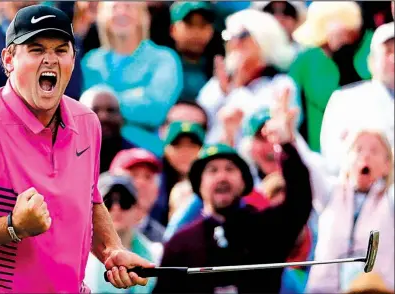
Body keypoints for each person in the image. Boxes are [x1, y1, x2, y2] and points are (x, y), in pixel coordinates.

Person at [0, 5, 153, 293]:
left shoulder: (87, 123)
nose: (50, 60)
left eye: (61, 50)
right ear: (9, 59)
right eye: (35, 50)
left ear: (74, 58)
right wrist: (12, 226)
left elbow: (91, 201)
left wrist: (111, 251)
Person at [153, 92, 313, 292]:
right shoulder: (180, 244)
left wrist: (286, 144)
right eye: (212, 170)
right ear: (198, 185)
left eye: (230, 169)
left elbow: (300, 201)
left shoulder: (267, 228)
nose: (222, 177)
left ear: (244, 182)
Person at [81, 1, 183, 157]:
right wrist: (136, 95)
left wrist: (105, 104)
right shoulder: (90, 61)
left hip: (145, 154)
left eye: (128, 6)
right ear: (102, 17)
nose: (121, 12)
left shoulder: (164, 58)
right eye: (114, 7)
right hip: (95, 152)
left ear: (144, 16)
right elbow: (85, 112)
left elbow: (155, 110)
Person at [305, 127, 394, 293]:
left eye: (374, 151)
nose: (365, 155)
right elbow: (307, 166)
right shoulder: (330, 192)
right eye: (358, 149)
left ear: (387, 165)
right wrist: (288, 136)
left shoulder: (390, 200)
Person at [197, 8, 300, 146]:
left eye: (242, 35)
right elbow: (201, 120)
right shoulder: (220, 82)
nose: (234, 43)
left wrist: (238, 88)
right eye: (229, 36)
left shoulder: (281, 83)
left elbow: (260, 126)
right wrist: (224, 91)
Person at [289, 1, 373, 152]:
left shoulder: (376, 48)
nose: (322, 46)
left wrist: (343, 56)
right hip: (321, 160)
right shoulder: (305, 60)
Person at [320, 22, 394, 175]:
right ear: (371, 61)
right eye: (388, 51)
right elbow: (332, 161)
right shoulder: (345, 100)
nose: (394, 58)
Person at [84, 173, 161, 293]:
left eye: (125, 201)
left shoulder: (157, 254)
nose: (116, 207)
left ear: (138, 210)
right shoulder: (81, 259)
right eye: (107, 202)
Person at [109, 148, 165, 243]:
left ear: (157, 191)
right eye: (133, 175)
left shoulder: (164, 241)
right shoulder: (87, 233)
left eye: (148, 177)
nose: (141, 183)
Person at [80, 85, 135, 173]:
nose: (104, 117)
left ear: (121, 117)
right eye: (94, 110)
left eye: (111, 110)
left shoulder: (134, 158)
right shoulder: (62, 155)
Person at [169, 1, 216, 102]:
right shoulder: (160, 66)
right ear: (173, 30)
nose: (196, 32)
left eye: (203, 25)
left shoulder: (218, 68)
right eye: (189, 24)